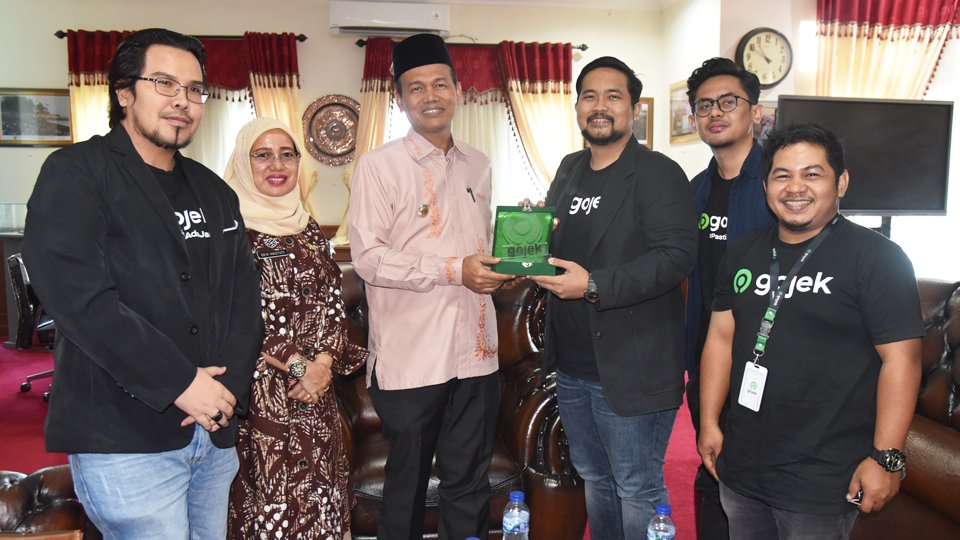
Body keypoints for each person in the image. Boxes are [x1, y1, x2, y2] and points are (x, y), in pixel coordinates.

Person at [21, 28, 263, 539]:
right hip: (123, 436)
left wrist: (226, 391)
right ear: (124, 92)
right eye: (165, 83)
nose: (183, 101)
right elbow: (83, 304)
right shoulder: (76, 174)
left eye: (195, 89)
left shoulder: (215, 192)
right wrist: (182, 383)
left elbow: (244, 301)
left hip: (213, 430)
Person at [697, 123, 923, 539]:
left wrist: (887, 458)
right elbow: (721, 339)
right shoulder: (743, 253)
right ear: (766, 186)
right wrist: (709, 421)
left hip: (824, 477)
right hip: (743, 465)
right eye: (782, 175)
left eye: (812, 174)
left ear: (841, 182)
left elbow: (902, 360)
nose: (795, 187)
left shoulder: (879, 258)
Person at [348, 33, 513, 540]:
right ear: (398, 98)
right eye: (416, 87)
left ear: (458, 90)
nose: (430, 96)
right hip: (412, 359)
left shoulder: (478, 163)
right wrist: (454, 269)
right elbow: (369, 259)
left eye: (440, 84)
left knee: (469, 484)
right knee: (407, 488)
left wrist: (509, 260)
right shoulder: (378, 166)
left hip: (476, 355)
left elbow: (479, 245)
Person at [529, 56, 697, 539]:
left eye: (613, 96)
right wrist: (529, 236)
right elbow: (555, 243)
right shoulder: (569, 168)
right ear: (577, 107)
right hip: (572, 364)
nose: (599, 106)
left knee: (636, 487)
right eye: (589, 96)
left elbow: (676, 257)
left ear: (634, 108)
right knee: (596, 479)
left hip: (632, 366)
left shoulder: (658, 172)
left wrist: (594, 284)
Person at [224, 118, 367, 540]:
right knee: (271, 506)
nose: (277, 165)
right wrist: (300, 368)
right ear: (243, 161)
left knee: (321, 501)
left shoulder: (307, 227)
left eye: (287, 155)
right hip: (263, 395)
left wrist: (322, 364)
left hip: (316, 395)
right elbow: (235, 315)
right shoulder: (228, 231)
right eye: (263, 155)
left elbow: (332, 304)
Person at [683, 57, 776, 539]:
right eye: (704, 105)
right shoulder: (695, 190)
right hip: (708, 359)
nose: (715, 112)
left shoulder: (777, 185)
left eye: (728, 102)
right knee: (712, 466)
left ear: (755, 112)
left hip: (767, 362)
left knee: (759, 487)